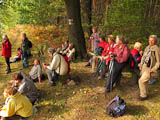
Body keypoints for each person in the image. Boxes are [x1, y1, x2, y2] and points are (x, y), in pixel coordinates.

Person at [138, 35, 160, 101]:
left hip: (149, 68)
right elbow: (143, 57)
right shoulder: (147, 48)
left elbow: (158, 62)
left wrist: (153, 69)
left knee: (141, 81)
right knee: (144, 82)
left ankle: (143, 96)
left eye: (152, 40)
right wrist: (141, 64)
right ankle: (144, 93)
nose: (150, 42)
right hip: (144, 67)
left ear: (155, 41)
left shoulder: (156, 49)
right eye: (149, 40)